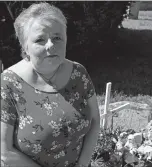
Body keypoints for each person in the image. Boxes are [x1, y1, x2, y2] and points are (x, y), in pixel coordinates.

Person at [1, 2, 100, 167]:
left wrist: (82, 164)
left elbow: (95, 121)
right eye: (40, 39)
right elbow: (5, 152)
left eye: (57, 38)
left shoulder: (78, 73)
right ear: (25, 47)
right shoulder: (8, 83)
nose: (51, 45)